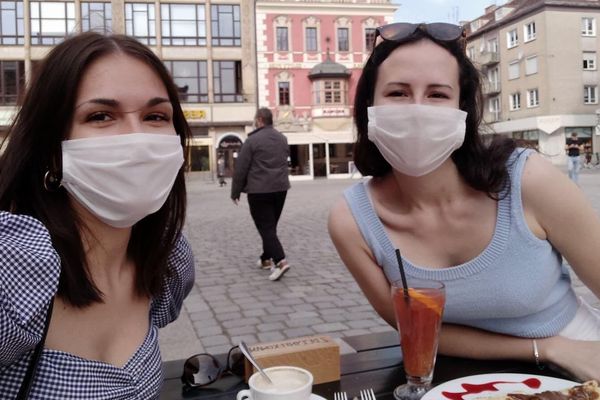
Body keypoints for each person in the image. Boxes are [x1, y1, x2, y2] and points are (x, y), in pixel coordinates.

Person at [328, 22, 600, 381]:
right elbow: (414, 328)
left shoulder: (528, 180)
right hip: (459, 379)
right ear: (369, 106)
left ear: (464, 109)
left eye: (438, 94)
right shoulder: (352, 222)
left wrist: (564, 349)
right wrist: (545, 347)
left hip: (583, 355)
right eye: (397, 93)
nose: (417, 109)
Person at [0, 32, 194, 398]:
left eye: (155, 116)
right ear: (51, 147)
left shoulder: (169, 262)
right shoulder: (11, 269)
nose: (136, 140)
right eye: (101, 115)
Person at [231, 107, 291, 281]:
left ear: (259, 120)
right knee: (270, 226)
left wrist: (235, 192)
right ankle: (265, 259)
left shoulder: (252, 141)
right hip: (280, 189)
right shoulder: (282, 139)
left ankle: (280, 261)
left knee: (265, 227)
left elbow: (241, 168)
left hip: (259, 191)